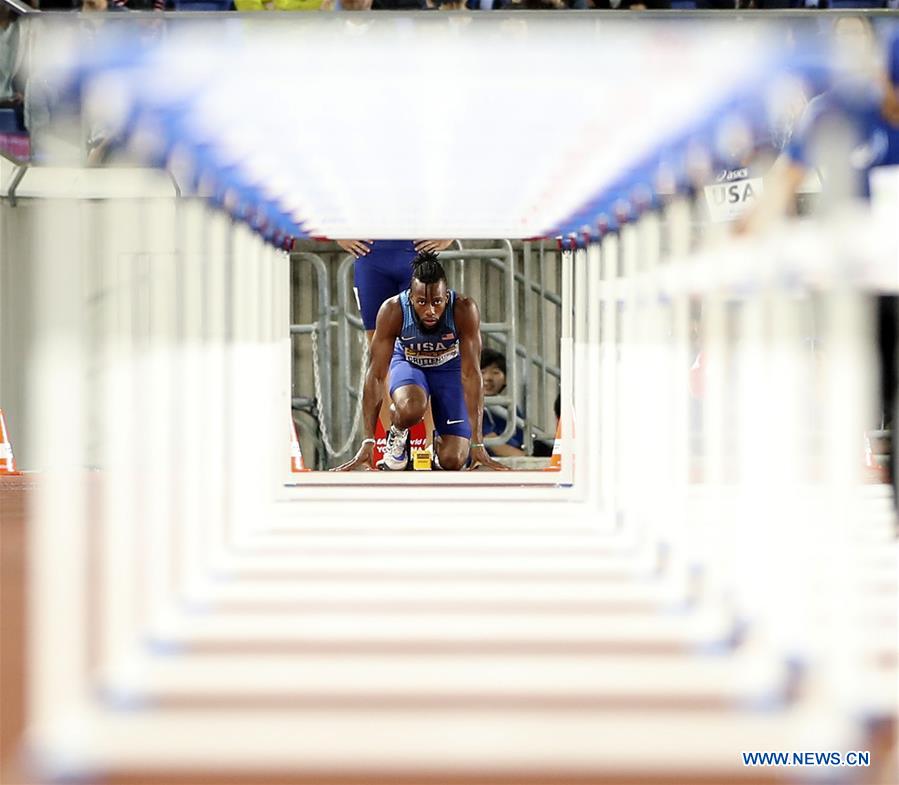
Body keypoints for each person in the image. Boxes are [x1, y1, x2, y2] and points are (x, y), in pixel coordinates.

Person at [336, 251, 508, 471]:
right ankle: (397, 434)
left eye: (437, 302)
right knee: (412, 407)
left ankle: (437, 447)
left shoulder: (464, 309)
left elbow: (471, 374)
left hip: (448, 370)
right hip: (409, 364)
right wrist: (368, 440)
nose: (430, 311)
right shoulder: (392, 310)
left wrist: (477, 442)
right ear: (410, 298)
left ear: (446, 296)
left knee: (453, 461)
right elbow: (376, 375)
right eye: (421, 302)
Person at [480, 348, 526, 457]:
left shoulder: (509, 407)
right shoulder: (469, 407)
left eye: (495, 372)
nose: (488, 378)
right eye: (482, 372)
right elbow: (495, 446)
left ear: (506, 378)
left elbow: (522, 441)